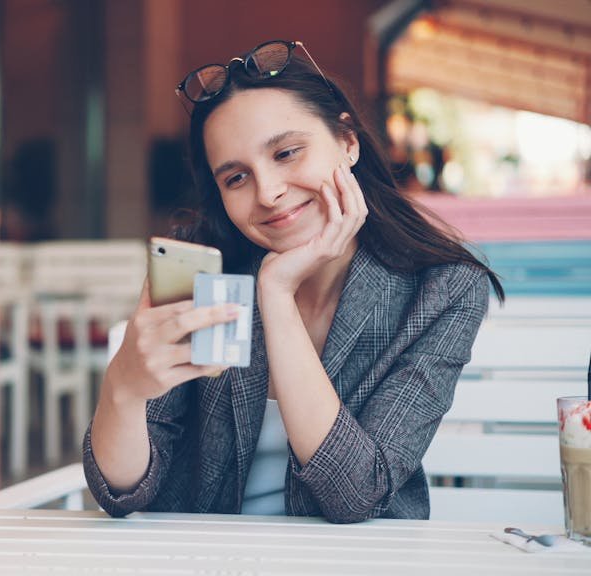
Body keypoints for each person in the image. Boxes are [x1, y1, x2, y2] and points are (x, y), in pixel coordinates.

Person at [83, 40, 504, 523]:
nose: (269, 192)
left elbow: (357, 494)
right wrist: (123, 387)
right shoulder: (206, 271)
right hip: (202, 558)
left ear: (348, 142)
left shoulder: (442, 290)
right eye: (236, 178)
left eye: (286, 152)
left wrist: (277, 294)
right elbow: (121, 491)